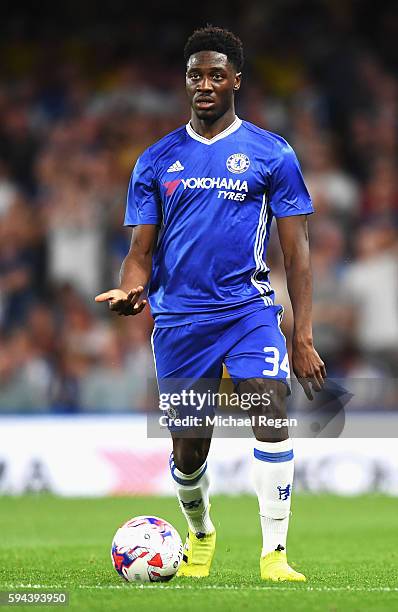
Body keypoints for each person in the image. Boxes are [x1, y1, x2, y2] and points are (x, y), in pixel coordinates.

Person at [96, 26, 325, 582]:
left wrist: (302, 336)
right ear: (186, 81)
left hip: (249, 311)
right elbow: (139, 252)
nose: (205, 84)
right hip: (179, 321)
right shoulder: (156, 160)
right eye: (196, 75)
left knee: (269, 413)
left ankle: (275, 555)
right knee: (189, 453)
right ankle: (200, 533)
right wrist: (131, 289)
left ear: (235, 81)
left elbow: (297, 255)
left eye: (216, 75)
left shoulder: (272, 154)